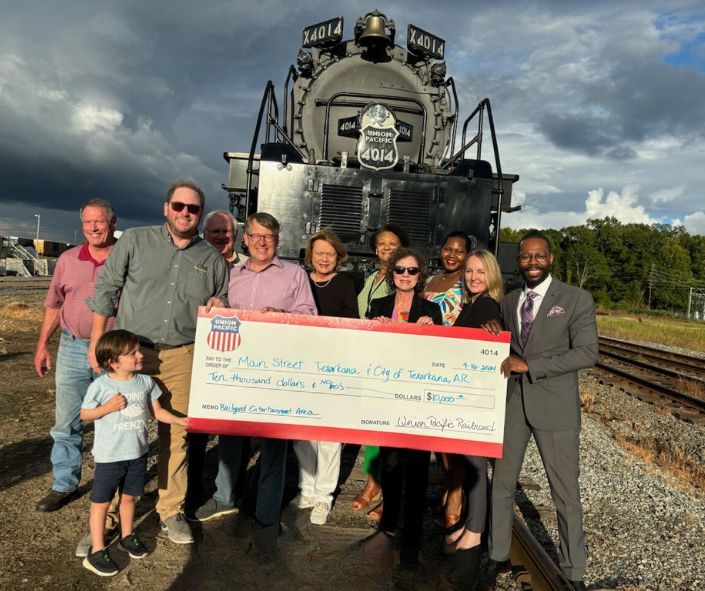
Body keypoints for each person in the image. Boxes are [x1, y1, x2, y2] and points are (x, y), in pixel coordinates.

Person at [88, 181, 229, 545]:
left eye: (193, 208)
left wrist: (221, 305)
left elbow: (222, 300)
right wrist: (97, 343)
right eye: (179, 205)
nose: (185, 212)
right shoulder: (135, 241)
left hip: (183, 353)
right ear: (166, 208)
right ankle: (108, 519)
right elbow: (106, 289)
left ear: (199, 214)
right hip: (131, 353)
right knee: (121, 431)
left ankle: (170, 510)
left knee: (177, 433)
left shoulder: (211, 258)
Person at [191, 212, 317, 559]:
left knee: (275, 448)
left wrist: (284, 315)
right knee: (231, 440)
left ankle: (265, 521)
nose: (262, 242)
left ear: (278, 241)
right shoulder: (230, 275)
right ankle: (225, 498)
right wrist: (217, 305)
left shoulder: (294, 274)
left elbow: (310, 316)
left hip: (278, 373)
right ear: (245, 239)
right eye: (256, 236)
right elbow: (222, 310)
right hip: (237, 374)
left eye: (269, 237)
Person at [484, 230, 598, 591]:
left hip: (555, 408)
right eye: (525, 256)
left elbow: (586, 353)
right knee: (502, 484)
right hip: (514, 404)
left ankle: (573, 569)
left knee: (564, 493)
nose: (531, 262)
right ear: (518, 260)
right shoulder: (510, 300)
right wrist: (494, 330)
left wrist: (530, 365)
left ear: (550, 259)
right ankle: (497, 554)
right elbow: (509, 340)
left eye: (539, 256)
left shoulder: (577, 299)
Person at [34, 199, 117, 513]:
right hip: (72, 346)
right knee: (66, 422)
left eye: (99, 222)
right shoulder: (68, 259)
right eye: (87, 223)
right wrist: (43, 344)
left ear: (113, 223)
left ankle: (110, 485)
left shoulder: (124, 259)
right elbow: (54, 304)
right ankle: (63, 484)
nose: (93, 228)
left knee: (113, 420)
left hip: (112, 353)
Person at [80, 330, 185, 577]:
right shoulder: (101, 385)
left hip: (137, 454)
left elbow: (156, 412)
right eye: (132, 353)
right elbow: (85, 414)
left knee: (129, 498)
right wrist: (107, 408)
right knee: (102, 503)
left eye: (138, 350)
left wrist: (181, 421)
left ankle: (127, 536)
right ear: (112, 361)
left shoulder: (146, 382)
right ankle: (96, 550)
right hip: (110, 457)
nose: (140, 356)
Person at [361, 248, 442, 566]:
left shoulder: (431, 311)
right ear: (391, 274)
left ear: (420, 275)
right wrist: (374, 327)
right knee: (391, 466)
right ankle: (388, 527)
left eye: (411, 271)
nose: (405, 276)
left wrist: (432, 331)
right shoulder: (378, 306)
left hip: (418, 402)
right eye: (399, 270)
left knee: (418, 470)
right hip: (387, 398)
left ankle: (412, 537)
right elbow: (366, 349)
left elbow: (440, 355)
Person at [290, 230, 358, 525]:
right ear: (310, 255)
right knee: (302, 434)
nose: (324, 258)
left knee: (329, 436)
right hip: (301, 362)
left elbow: (352, 323)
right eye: (319, 253)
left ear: (338, 256)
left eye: (330, 253)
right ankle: (306, 490)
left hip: (333, 365)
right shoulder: (298, 280)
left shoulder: (345, 284)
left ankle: (324, 496)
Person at [444, 249, 503, 587]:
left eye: (480, 271)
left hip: (477, 401)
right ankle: (471, 523)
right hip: (468, 397)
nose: (473, 277)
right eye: (469, 271)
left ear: (491, 274)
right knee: (471, 467)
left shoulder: (487, 307)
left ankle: (476, 533)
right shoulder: (470, 304)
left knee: (477, 468)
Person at [188, 208, 249, 510]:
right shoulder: (191, 260)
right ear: (204, 234)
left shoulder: (248, 268)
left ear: (235, 237)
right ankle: (190, 487)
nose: (221, 237)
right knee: (194, 430)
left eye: (226, 232)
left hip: (235, 360)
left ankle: (227, 492)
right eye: (215, 232)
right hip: (196, 354)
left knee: (231, 431)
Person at [353, 223, 410, 521]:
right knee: (372, 428)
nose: (387, 248)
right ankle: (374, 480)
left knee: (392, 431)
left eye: (393, 244)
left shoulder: (402, 279)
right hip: (371, 357)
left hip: (393, 362)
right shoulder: (373, 278)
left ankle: (390, 493)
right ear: (375, 250)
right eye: (382, 244)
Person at [422, 230, 473, 532]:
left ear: (467, 255)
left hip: (451, 363)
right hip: (426, 361)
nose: (452, 254)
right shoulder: (431, 280)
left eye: (459, 250)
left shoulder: (467, 282)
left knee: (450, 437)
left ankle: (454, 496)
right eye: (448, 249)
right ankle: (444, 490)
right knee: (433, 435)